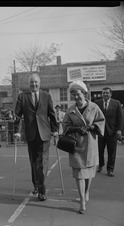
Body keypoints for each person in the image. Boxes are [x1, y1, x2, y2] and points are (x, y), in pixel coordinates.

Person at [13, 72, 58, 201]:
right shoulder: (23, 97)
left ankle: (42, 190)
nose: (34, 84)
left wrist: (55, 130)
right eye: (31, 82)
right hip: (31, 134)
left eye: (36, 82)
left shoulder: (46, 96)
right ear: (29, 84)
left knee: (42, 163)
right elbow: (18, 115)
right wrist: (17, 131)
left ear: (40, 83)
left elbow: (52, 114)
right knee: (34, 162)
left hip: (44, 134)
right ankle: (36, 185)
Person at [63, 80, 105, 214]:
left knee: (89, 173)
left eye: (78, 93)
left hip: (91, 144)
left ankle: (86, 192)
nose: (76, 96)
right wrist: (76, 128)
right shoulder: (70, 111)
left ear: (84, 93)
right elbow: (65, 127)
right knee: (79, 174)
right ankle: (82, 201)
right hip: (76, 146)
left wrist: (91, 126)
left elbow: (101, 121)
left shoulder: (94, 107)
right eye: (73, 94)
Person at [95, 87, 123, 177]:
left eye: (107, 93)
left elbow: (119, 118)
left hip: (112, 132)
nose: (105, 94)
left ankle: (110, 169)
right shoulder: (97, 103)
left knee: (112, 152)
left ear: (111, 94)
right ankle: (100, 165)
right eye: (103, 93)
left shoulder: (116, 103)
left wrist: (119, 130)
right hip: (100, 131)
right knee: (99, 150)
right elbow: (94, 116)